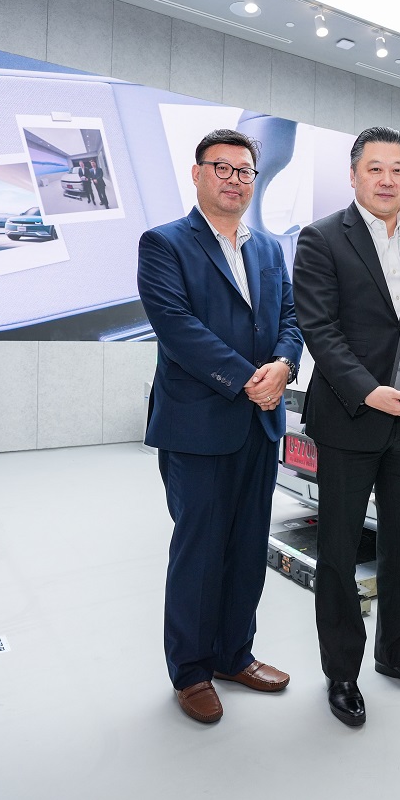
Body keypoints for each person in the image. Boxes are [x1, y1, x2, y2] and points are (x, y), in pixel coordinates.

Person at [137, 128, 303, 724]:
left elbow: (290, 318)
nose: (234, 180)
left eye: (244, 171)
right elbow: (176, 326)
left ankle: (235, 655)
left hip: (260, 424)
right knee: (200, 551)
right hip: (198, 425)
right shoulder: (164, 243)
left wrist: (283, 365)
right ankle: (190, 671)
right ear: (198, 173)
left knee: (247, 547)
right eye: (222, 168)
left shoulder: (268, 250)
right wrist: (247, 379)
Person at [293, 126, 400, 727]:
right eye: (375, 168)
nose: (387, 180)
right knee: (337, 553)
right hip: (350, 417)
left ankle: (398, 654)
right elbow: (320, 329)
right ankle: (342, 672)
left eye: (398, 169)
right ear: (354, 174)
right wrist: (370, 391)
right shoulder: (321, 238)